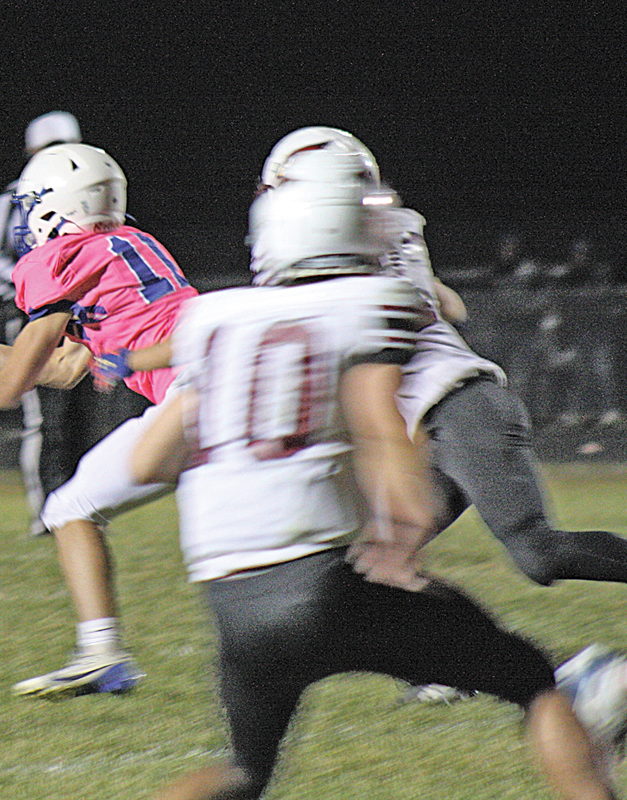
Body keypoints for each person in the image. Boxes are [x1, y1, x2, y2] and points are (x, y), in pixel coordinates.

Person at [127, 147, 625, 800]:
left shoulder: (213, 319)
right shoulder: (371, 300)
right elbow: (384, 429)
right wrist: (402, 527)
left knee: (244, 774)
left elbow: (147, 462)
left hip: (233, 598)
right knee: (533, 677)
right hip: (325, 585)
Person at [0, 141, 197, 698]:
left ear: (56, 205)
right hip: (228, 382)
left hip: (195, 395)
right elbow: (64, 368)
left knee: (70, 507)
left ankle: (102, 655)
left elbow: (12, 389)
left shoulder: (56, 260)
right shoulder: (132, 246)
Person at [0, 111, 151, 537]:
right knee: (46, 419)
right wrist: (35, 293)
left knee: (84, 415)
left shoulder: (89, 188)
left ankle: (79, 505)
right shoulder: (14, 197)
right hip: (37, 316)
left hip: (85, 316)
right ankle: (48, 508)